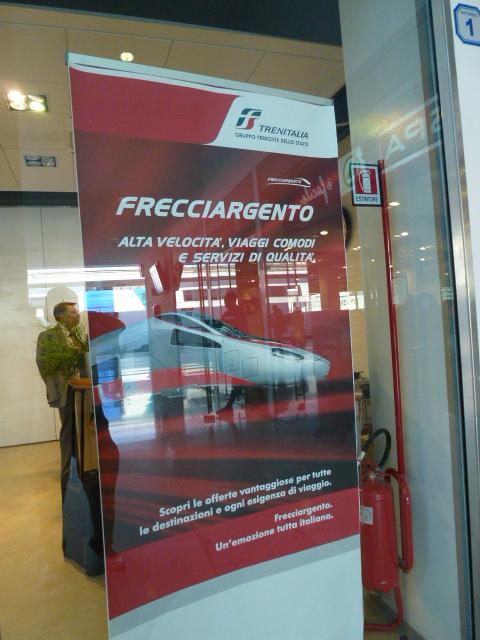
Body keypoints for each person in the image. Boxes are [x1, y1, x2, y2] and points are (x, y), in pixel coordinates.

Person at [36, 302, 85, 505]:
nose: (77, 315)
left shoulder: (76, 335)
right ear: (61, 316)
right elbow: (43, 365)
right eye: (73, 312)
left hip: (82, 389)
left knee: (80, 430)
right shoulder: (47, 336)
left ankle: (81, 466)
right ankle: (67, 471)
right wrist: (57, 387)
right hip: (67, 392)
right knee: (68, 431)